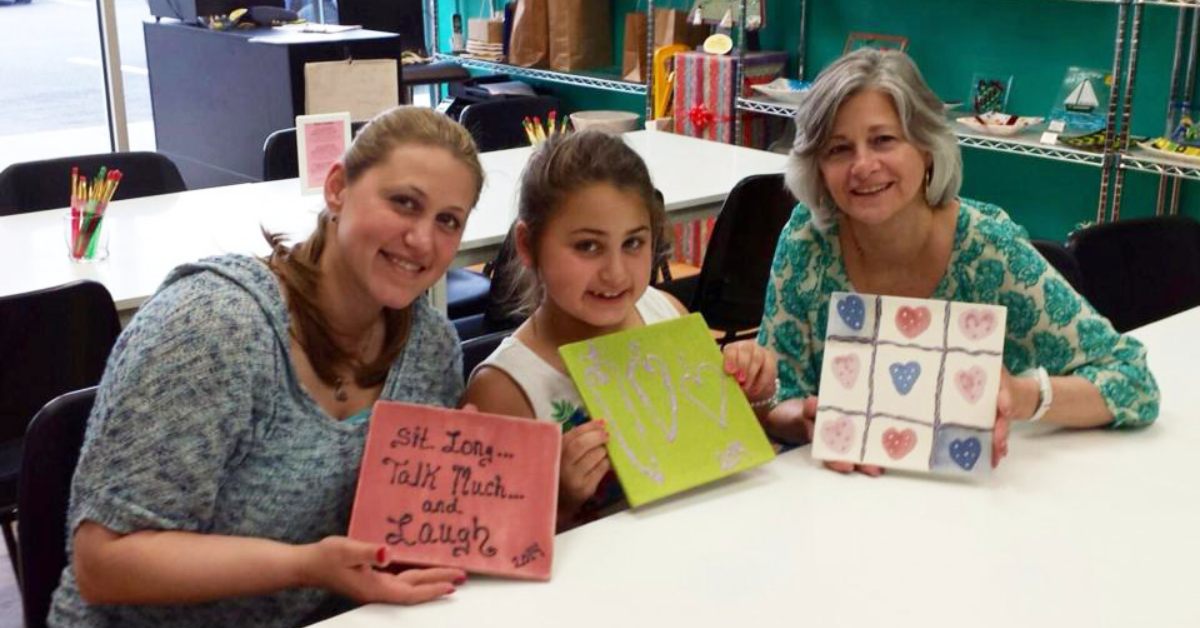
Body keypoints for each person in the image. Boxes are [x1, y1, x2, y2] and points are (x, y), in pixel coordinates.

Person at [49, 106, 484, 627]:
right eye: (403, 203)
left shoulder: (431, 349)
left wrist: (462, 490)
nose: (422, 240)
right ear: (338, 189)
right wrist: (308, 566)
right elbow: (104, 563)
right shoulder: (214, 327)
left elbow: (402, 536)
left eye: (448, 221)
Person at [757, 49, 1160, 474]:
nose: (863, 166)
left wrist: (1020, 395)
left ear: (927, 148)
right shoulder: (808, 238)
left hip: (975, 509)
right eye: (838, 149)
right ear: (817, 168)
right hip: (838, 500)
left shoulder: (986, 247)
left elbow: (1133, 381)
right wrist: (806, 421)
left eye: (883, 140)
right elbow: (778, 394)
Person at [464, 131, 777, 528]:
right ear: (528, 245)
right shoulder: (505, 389)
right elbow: (492, 539)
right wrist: (558, 499)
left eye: (633, 243)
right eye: (588, 247)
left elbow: (726, 453)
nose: (614, 273)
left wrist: (755, 395)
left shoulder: (668, 315)